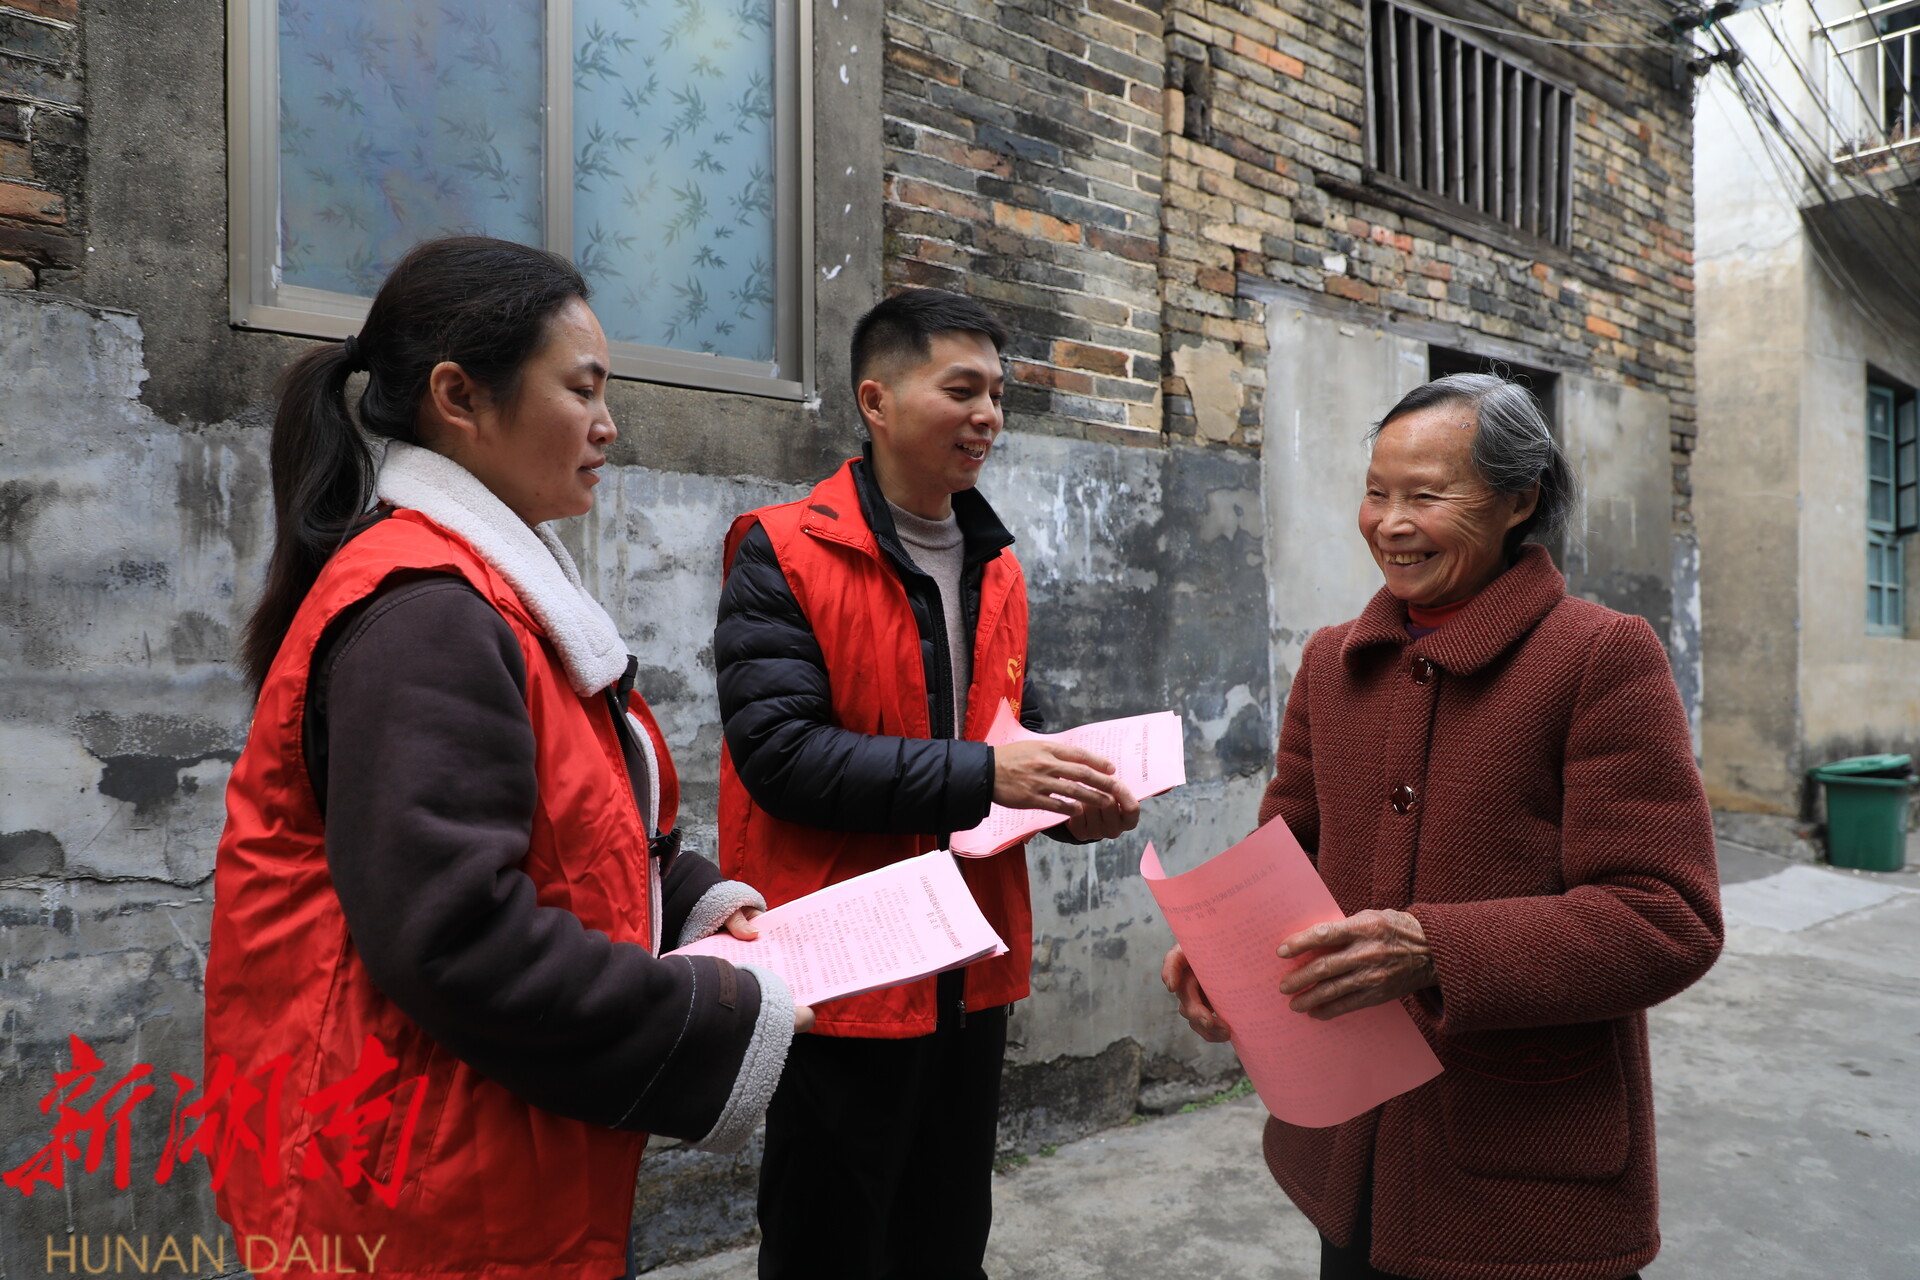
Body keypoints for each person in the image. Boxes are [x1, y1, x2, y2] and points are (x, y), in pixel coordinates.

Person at [204, 236, 806, 1280]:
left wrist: (692, 901)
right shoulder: (427, 613)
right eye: (582, 389)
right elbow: (457, 936)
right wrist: (716, 1015)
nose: (608, 424)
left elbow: (572, 826)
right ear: (459, 397)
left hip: (479, 1153)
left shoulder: (494, 591)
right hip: (417, 1187)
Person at [1162, 373, 1722, 1280]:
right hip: (1350, 1152)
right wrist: (1224, 949)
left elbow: (1667, 918)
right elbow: (1288, 855)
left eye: (1426, 496)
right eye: (1376, 493)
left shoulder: (1598, 657)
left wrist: (1435, 950)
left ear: (1519, 500)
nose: (1391, 523)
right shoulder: (1333, 663)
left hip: (1520, 1174)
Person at [714, 288, 1141, 1279]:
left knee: (946, 1242)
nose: (988, 414)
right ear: (877, 400)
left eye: (997, 393)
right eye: (962, 389)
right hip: (843, 976)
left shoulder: (998, 565)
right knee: (827, 1248)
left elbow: (1010, 743)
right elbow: (782, 756)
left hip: (969, 964)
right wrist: (989, 771)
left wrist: (1075, 806)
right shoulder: (782, 548)